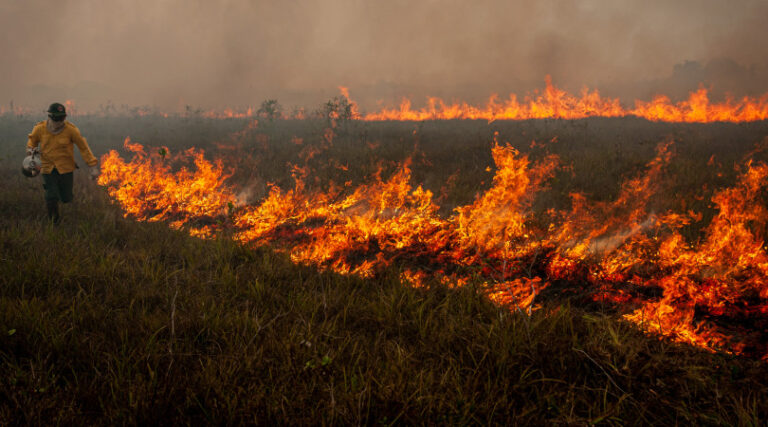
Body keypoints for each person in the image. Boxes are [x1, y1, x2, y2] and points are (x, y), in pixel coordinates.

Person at [26, 102, 99, 224]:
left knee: (66, 198)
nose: (59, 122)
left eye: (61, 119)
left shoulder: (71, 130)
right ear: (49, 117)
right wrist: (30, 151)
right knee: (51, 195)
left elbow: (84, 148)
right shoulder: (39, 129)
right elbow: (31, 142)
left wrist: (93, 167)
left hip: (66, 168)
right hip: (48, 168)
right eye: (56, 119)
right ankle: (54, 223)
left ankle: (64, 205)